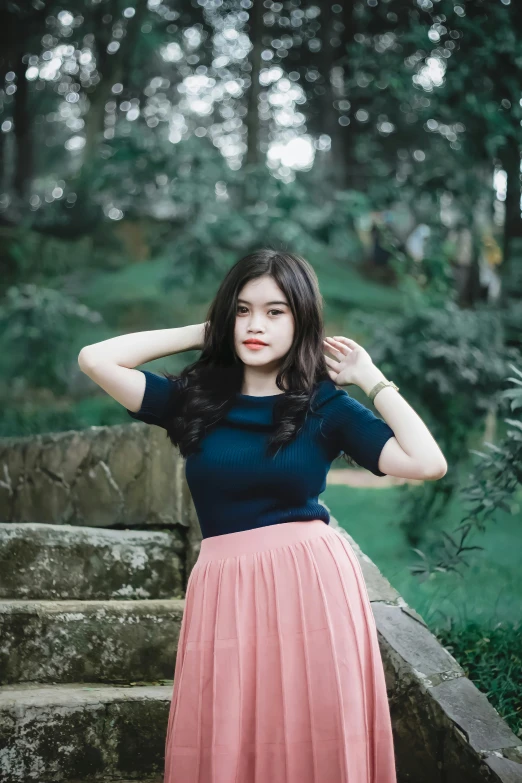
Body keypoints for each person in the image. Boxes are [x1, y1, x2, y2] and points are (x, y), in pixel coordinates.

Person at [78, 248, 447, 783]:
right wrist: (201, 332)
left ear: (301, 322)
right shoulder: (194, 400)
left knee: (315, 729)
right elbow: (96, 359)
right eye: (243, 310)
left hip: (313, 585)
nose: (256, 325)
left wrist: (372, 380)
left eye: (276, 312)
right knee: (230, 734)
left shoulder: (325, 406)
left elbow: (427, 462)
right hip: (225, 586)